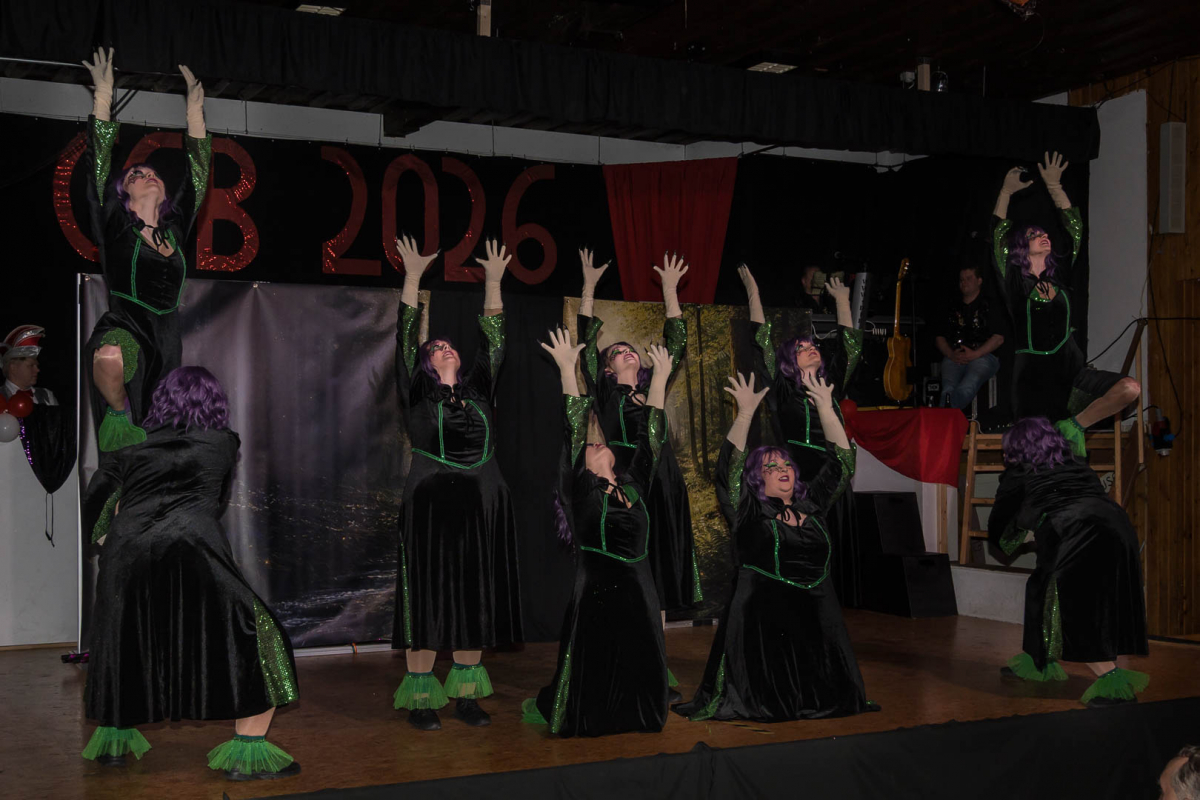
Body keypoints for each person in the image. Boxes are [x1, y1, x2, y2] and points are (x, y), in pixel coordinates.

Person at [80, 367, 300, 781]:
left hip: (129, 550)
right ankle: (247, 754)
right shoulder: (223, 442)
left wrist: (107, 535)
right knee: (264, 638)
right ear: (215, 402)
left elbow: (100, 494)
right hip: (193, 548)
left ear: (161, 400)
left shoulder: (131, 443)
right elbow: (215, 499)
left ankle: (114, 741)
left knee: (127, 637)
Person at [674, 371, 878, 722]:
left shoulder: (812, 505)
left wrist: (826, 409)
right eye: (771, 466)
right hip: (765, 620)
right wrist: (744, 413)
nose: (783, 468)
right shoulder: (748, 511)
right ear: (757, 479)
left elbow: (843, 463)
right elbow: (729, 469)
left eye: (786, 464)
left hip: (816, 616)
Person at [390, 235, 522, 731]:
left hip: (481, 503)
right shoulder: (417, 393)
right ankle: (422, 698)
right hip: (431, 506)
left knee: (473, 596)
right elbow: (405, 338)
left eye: (449, 345)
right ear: (426, 363)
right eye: (436, 347)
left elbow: (496, 340)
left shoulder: (479, 391)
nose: (445, 347)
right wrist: (412, 277)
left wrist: (493, 281)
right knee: (427, 597)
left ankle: (466, 695)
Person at [521, 331, 673, 737]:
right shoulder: (581, 492)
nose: (596, 443)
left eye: (598, 441)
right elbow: (574, 425)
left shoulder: (634, 487)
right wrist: (566, 369)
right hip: (596, 595)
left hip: (640, 593)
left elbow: (651, 440)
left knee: (640, 664)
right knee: (596, 673)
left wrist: (660, 378)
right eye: (590, 446)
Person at [577, 248, 698, 700]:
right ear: (608, 369)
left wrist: (670, 291)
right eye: (617, 352)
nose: (626, 351)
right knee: (636, 573)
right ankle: (626, 661)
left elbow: (676, 343)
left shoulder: (654, 393)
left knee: (658, 578)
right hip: (630, 486)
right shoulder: (607, 396)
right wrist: (589, 287)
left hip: (665, 485)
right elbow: (585, 344)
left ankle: (655, 667)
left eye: (631, 349)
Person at [79, 48, 212, 453]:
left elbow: (198, 179)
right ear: (125, 194)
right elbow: (99, 168)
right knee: (110, 356)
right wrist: (104, 97)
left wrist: (194, 113)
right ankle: (118, 416)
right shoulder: (116, 225)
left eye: (152, 172)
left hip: (167, 341)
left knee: (160, 428)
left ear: (163, 191)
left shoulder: (175, 229)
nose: (146, 174)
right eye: (136, 174)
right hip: (126, 324)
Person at [989, 417, 1149, 707]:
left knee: (1074, 609)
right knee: (1040, 590)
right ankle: (1037, 660)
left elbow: (1006, 521)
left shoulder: (1021, 471)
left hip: (1078, 535)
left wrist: (1012, 537)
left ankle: (1112, 682)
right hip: (1117, 529)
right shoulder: (1075, 462)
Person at [991, 152, 1140, 455]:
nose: (1043, 235)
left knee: (1130, 388)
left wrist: (1055, 187)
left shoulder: (1060, 277)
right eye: (1034, 235)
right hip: (1032, 380)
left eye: (1044, 233)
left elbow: (1074, 229)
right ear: (1020, 248)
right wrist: (1005, 192)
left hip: (1071, 374)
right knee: (1036, 456)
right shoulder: (1015, 282)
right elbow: (997, 235)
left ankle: (1074, 425)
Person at [739, 264, 864, 605]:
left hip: (832, 469)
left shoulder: (830, 383)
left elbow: (851, 348)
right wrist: (753, 293)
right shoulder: (782, 389)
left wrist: (842, 301)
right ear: (788, 362)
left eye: (813, 345)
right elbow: (761, 341)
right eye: (801, 348)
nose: (811, 348)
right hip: (799, 473)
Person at [934, 265, 1004, 411]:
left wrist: (975, 354)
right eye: (961, 280)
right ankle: (946, 417)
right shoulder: (952, 306)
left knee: (968, 386)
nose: (964, 282)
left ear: (979, 281)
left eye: (968, 278)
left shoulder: (990, 305)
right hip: (955, 355)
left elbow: (998, 338)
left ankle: (945, 415)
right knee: (947, 389)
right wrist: (951, 354)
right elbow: (939, 336)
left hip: (983, 355)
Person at [1, 325, 58, 405]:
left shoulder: (47, 396)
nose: (37, 370)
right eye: (31, 365)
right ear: (13, 367)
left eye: (37, 366)